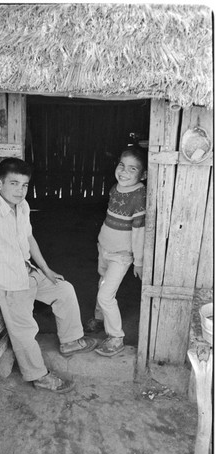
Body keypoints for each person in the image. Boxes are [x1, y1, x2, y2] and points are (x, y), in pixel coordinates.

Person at [0, 157, 97, 394]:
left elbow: (29, 238)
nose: (20, 190)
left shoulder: (23, 206)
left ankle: (69, 341)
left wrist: (46, 270)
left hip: (29, 272)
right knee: (24, 331)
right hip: (9, 283)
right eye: (14, 183)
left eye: (24, 185)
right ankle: (38, 376)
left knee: (64, 289)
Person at [85, 146, 147, 357]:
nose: (124, 172)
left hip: (121, 255)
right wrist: (101, 242)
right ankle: (100, 319)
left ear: (143, 174)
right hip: (105, 247)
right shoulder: (115, 188)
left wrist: (138, 261)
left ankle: (116, 337)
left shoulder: (139, 197)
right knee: (102, 282)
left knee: (106, 295)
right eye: (122, 165)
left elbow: (139, 232)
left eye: (132, 169)